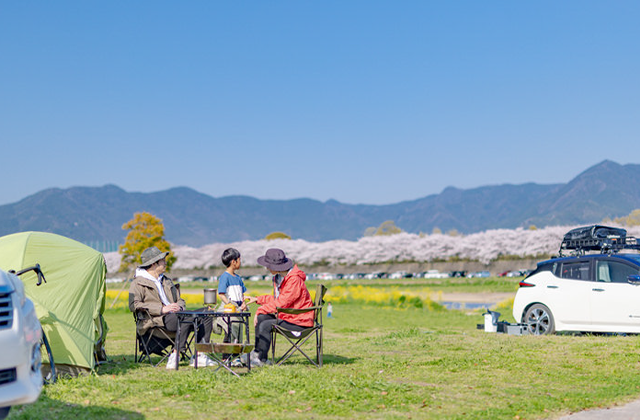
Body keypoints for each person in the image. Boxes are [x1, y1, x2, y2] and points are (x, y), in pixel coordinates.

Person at [129, 246, 216, 369]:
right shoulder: (138, 283)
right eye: (163, 260)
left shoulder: (166, 281)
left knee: (207, 313)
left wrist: (179, 307)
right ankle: (175, 354)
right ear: (154, 263)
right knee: (186, 316)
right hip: (156, 321)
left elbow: (180, 300)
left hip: (177, 316)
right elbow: (134, 305)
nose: (165, 263)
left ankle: (200, 354)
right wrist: (162, 309)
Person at [244, 248, 314, 366]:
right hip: (291, 316)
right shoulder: (282, 278)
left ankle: (262, 360)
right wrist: (258, 299)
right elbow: (279, 299)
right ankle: (257, 353)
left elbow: (282, 302)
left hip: (300, 322)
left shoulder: (294, 280)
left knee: (266, 325)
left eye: (268, 265)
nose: (267, 268)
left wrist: (261, 309)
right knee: (262, 317)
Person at [214, 248, 249, 365]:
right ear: (234, 261)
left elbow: (242, 294)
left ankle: (236, 356)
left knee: (239, 332)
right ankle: (226, 357)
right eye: (239, 260)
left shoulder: (238, 278)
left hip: (238, 311)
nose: (240, 262)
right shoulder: (225, 277)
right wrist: (229, 304)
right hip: (229, 310)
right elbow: (221, 294)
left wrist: (243, 303)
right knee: (231, 331)